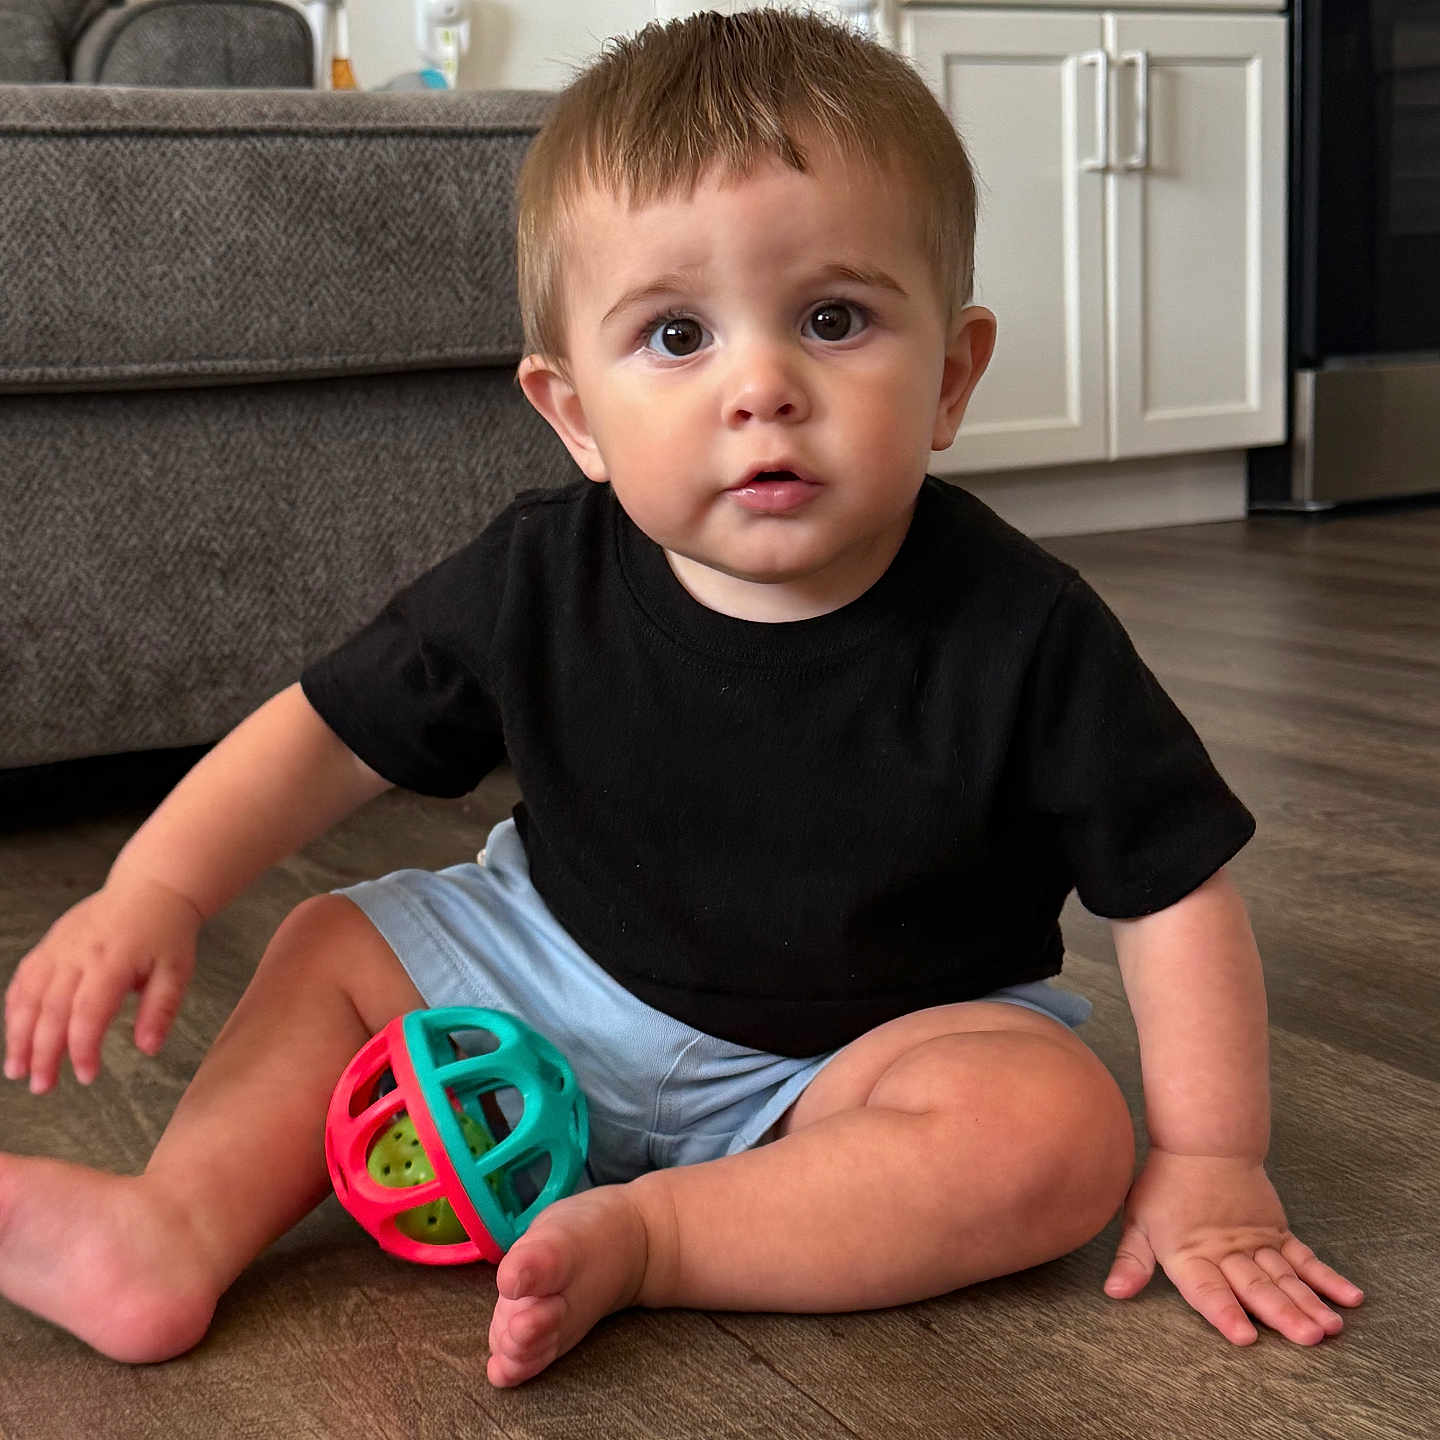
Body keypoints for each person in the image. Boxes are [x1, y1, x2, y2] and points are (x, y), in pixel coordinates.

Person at [1, 8, 1362, 1389]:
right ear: (574, 415)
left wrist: (1211, 1158)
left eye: (833, 319)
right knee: (333, 945)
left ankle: (658, 1239)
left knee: (1054, 1130)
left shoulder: (1030, 630)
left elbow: (1174, 890)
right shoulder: (536, 576)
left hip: (849, 1068)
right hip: (550, 978)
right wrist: (155, 888)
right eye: (675, 334)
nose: (762, 387)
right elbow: (324, 735)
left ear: (950, 377)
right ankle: (172, 1229)